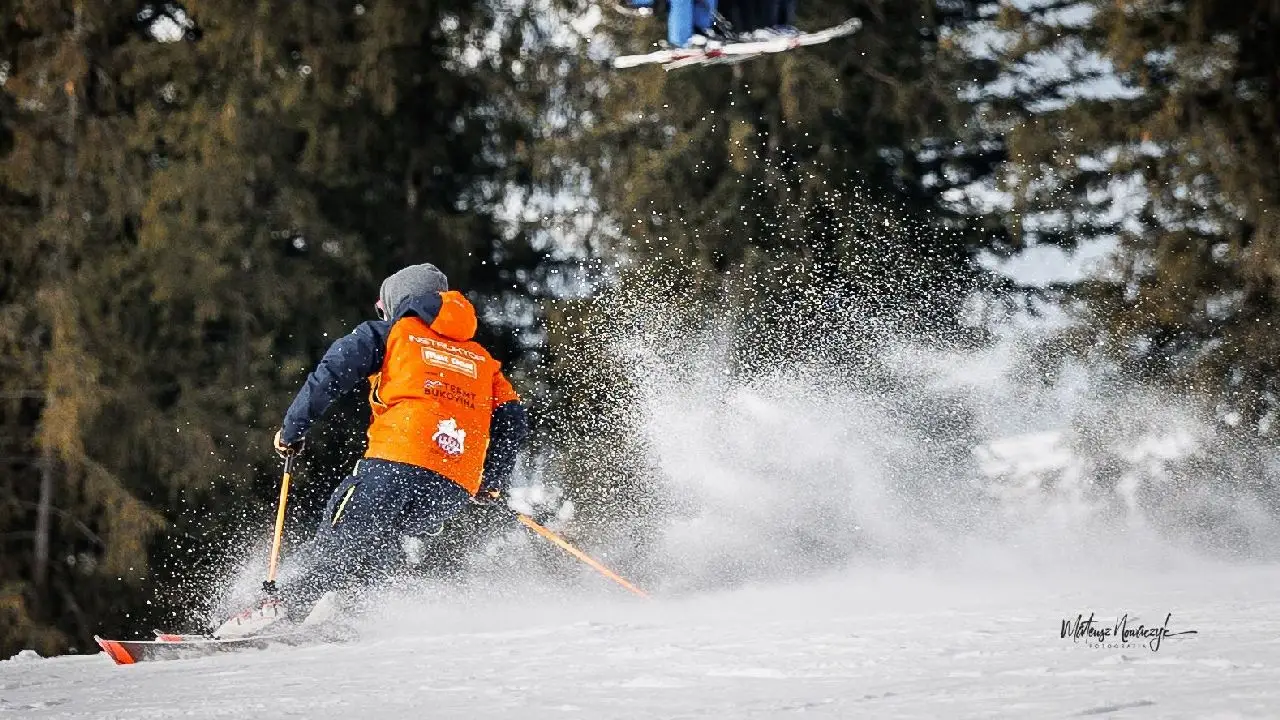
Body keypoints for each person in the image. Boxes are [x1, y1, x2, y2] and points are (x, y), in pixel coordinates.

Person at [215, 263, 529, 638]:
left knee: (343, 532)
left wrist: (292, 429)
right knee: (383, 540)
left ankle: (277, 611)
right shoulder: (481, 360)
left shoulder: (393, 333)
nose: (382, 315)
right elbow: (512, 418)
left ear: (402, 303)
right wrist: (492, 481)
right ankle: (355, 612)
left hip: (398, 460)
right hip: (452, 485)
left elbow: (333, 370)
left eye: (385, 308)